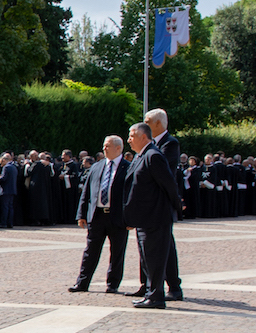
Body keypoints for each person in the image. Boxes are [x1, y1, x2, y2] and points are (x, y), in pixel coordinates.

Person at [124, 122, 182, 310]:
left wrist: (176, 207)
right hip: (144, 218)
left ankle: (157, 296)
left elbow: (169, 184)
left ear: (143, 136)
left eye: (132, 136)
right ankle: (151, 293)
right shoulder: (142, 156)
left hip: (156, 217)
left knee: (155, 259)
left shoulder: (154, 156)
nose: (128, 140)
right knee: (148, 258)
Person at [69, 135, 129, 294]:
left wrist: (131, 217)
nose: (104, 148)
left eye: (107, 146)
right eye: (104, 145)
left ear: (118, 148)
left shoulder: (128, 167)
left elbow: (132, 194)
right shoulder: (96, 167)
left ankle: (113, 284)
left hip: (118, 217)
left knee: (117, 253)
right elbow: (87, 192)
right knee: (90, 251)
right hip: (97, 215)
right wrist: (81, 214)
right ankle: (82, 283)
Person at [138, 109, 184, 301]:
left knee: (165, 247)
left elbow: (160, 170)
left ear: (158, 124)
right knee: (144, 246)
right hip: (146, 203)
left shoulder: (170, 144)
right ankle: (147, 285)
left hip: (160, 203)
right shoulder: (149, 144)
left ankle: (173, 286)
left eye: (147, 122)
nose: (144, 124)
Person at [0, 152, 19, 227]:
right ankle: (10, 223)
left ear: (4, 160)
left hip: (5, 190)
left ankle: (4, 223)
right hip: (12, 189)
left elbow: (4, 178)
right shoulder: (14, 167)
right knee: (10, 207)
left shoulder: (6, 167)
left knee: (5, 207)